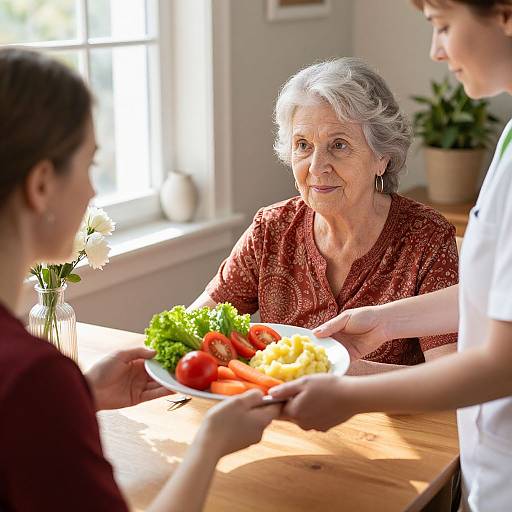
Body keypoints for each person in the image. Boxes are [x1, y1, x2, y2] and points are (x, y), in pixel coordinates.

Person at [0, 48, 280, 512]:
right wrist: (210, 443)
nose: (93, 189)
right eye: (89, 165)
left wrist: (81, 397)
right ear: (41, 184)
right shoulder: (34, 377)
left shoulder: (35, 385)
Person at [270, 1, 512, 510]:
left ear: (507, 15)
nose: (435, 49)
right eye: (303, 145)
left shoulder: (423, 233)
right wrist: (384, 320)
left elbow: (501, 364)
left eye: (443, 25)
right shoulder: (509, 142)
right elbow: (493, 297)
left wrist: (347, 389)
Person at [190, 57, 458, 375]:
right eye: (303, 145)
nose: (317, 168)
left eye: (339, 145)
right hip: (284, 419)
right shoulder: (271, 229)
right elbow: (195, 327)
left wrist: (339, 371)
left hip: (385, 420)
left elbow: (449, 375)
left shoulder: (425, 237)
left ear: (382, 158)